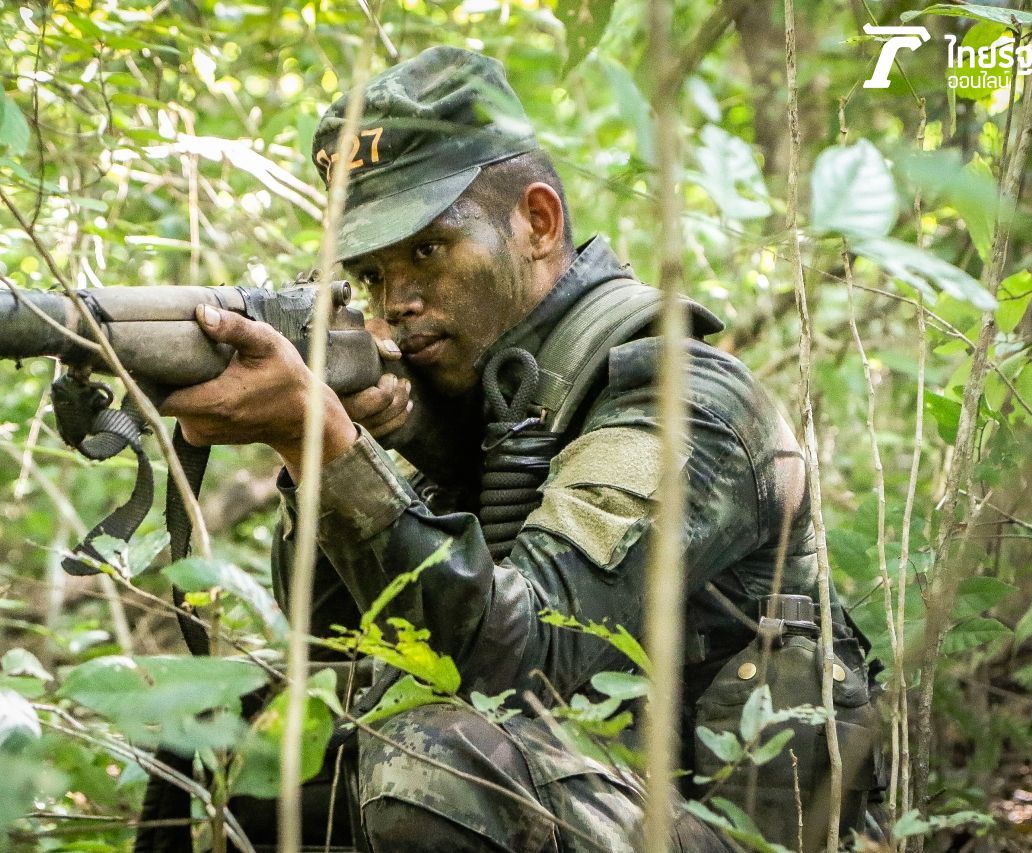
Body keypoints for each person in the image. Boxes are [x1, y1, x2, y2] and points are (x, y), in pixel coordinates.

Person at [161, 46, 881, 852]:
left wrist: (325, 444)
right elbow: (334, 644)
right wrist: (333, 450)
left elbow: (526, 654)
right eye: (371, 276)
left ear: (537, 222)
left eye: (428, 250)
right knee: (226, 734)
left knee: (438, 758)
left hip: (734, 830)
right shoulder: (464, 395)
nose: (398, 302)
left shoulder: (682, 395)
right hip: (601, 800)